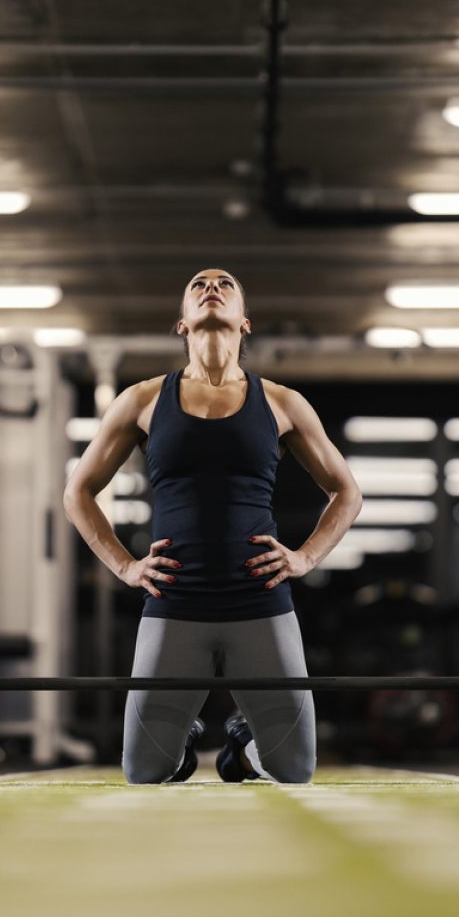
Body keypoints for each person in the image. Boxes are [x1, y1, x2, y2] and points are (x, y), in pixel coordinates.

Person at [63, 268, 362, 784]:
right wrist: (127, 567)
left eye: (225, 284)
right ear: (182, 324)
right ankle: (186, 742)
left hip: (260, 602)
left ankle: (242, 745)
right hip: (175, 602)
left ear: (245, 323)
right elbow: (78, 493)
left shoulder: (281, 403)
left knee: (295, 771)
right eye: (198, 285)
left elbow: (347, 492)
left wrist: (305, 557)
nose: (211, 288)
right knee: (143, 771)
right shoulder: (142, 400)